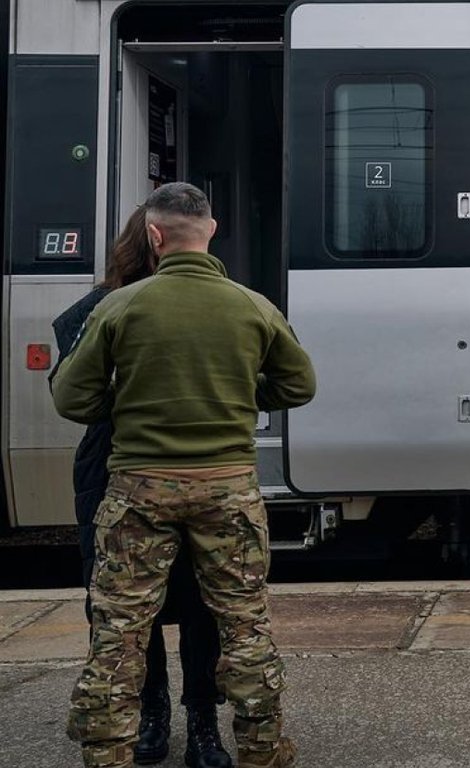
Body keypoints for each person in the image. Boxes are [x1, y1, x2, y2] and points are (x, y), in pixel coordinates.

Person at [51, 182, 315, 768]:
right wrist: (242, 397)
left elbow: (72, 399)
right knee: (244, 624)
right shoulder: (253, 305)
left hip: (138, 489)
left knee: (119, 629)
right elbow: (300, 385)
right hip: (228, 489)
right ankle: (261, 748)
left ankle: (110, 752)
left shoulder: (117, 306)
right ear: (211, 231)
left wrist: (127, 403)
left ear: (153, 233)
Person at [51, 206, 233, 768]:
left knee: (200, 600)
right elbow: (68, 386)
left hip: (185, 468)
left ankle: (202, 716)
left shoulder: (214, 301)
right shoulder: (96, 307)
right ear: (157, 241)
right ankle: (153, 712)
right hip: (114, 469)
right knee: (131, 607)